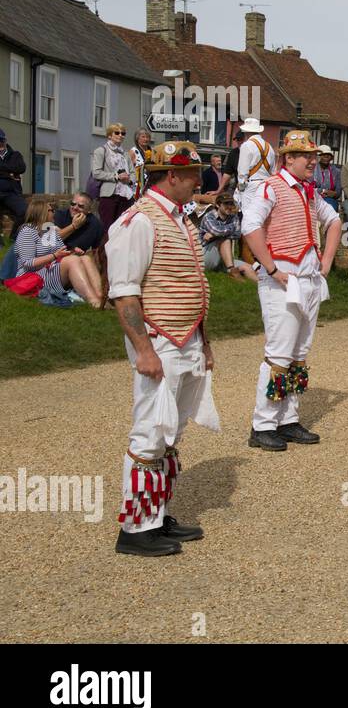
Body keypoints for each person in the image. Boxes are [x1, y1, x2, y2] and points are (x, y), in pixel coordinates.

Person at [104, 139, 218, 556]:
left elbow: (190, 284)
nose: (198, 182)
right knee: (151, 427)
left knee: (172, 429)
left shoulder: (179, 219)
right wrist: (143, 350)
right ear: (172, 176)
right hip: (158, 340)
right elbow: (125, 293)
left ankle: (156, 514)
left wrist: (204, 342)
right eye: (193, 175)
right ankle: (135, 529)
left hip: (184, 338)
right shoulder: (139, 221)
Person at [241, 129, 342, 452]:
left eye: (313, 155)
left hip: (310, 279)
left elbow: (335, 221)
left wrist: (326, 261)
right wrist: (271, 268)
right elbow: (250, 225)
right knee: (280, 353)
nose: (312, 161)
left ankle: (288, 418)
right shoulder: (271, 188)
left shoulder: (309, 192)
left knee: (299, 354)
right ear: (288, 158)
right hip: (282, 281)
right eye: (306, 156)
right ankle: (263, 424)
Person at [13, 200, 106, 307]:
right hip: (31, 277)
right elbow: (27, 263)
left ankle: (101, 295)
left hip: (49, 270)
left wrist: (71, 251)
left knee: (85, 258)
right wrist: (55, 256)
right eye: (51, 210)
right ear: (41, 212)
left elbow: (58, 251)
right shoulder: (27, 231)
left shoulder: (49, 230)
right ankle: (94, 301)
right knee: (72, 261)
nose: (54, 213)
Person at [91, 124, 136, 238]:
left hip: (126, 196)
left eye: (123, 133)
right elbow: (96, 172)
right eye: (117, 132)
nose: (120, 135)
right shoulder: (101, 151)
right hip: (109, 195)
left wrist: (129, 180)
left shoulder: (125, 154)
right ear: (109, 135)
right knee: (108, 229)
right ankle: (103, 254)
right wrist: (116, 176)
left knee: (124, 228)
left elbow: (133, 173)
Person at [199, 193, 257, 280]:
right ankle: (231, 271)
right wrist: (227, 230)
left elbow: (237, 234)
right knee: (225, 240)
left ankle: (262, 286)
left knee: (247, 267)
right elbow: (217, 231)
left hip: (224, 258)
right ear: (218, 205)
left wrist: (214, 235)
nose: (229, 206)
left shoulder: (234, 217)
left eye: (231, 203)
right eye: (226, 204)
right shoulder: (209, 216)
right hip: (206, 257)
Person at [235, 117, 276, 211]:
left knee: (248, 216)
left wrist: (241, 188)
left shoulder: (246, 145)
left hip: (252, 186)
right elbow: (272, 170)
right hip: (266, 186)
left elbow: (242, 172)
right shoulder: (269, 147)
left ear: (246, 131)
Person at [0, 129, 27, 246]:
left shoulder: (15, 155)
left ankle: (14, 237)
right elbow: (13, 169)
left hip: (11, 193)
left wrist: (3, 169)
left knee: (25, 211)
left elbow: (21, 168)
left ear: (5, 141)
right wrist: (9, 174)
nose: (0, 144)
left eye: (1, 140)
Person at [312, 145, 341, 213]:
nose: (326, 157)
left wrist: (334, 194)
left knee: (330, 208)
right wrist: (324, 191)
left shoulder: (336, 172)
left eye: (328, 155)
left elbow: (338, 192)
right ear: (318, 157)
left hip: (330, 200)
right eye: (323, 155)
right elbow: (308, 188)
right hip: (313, 198)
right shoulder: (312, 169)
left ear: (331, 158)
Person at [220, 128, 245, 194]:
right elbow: (227, 173)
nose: (239, 142)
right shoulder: (233, 153)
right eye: (237, 140)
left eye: (241, 139)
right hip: (240, 189)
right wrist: (219, 189)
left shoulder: (254, 152)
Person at [129, 130, 153, 200]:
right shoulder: (133, 151)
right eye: (143, 137)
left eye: (147, 137)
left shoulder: (152, 151)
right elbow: (128, 169)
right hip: (137, 187)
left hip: (150, 186)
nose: (146, 139)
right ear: (137, 139)